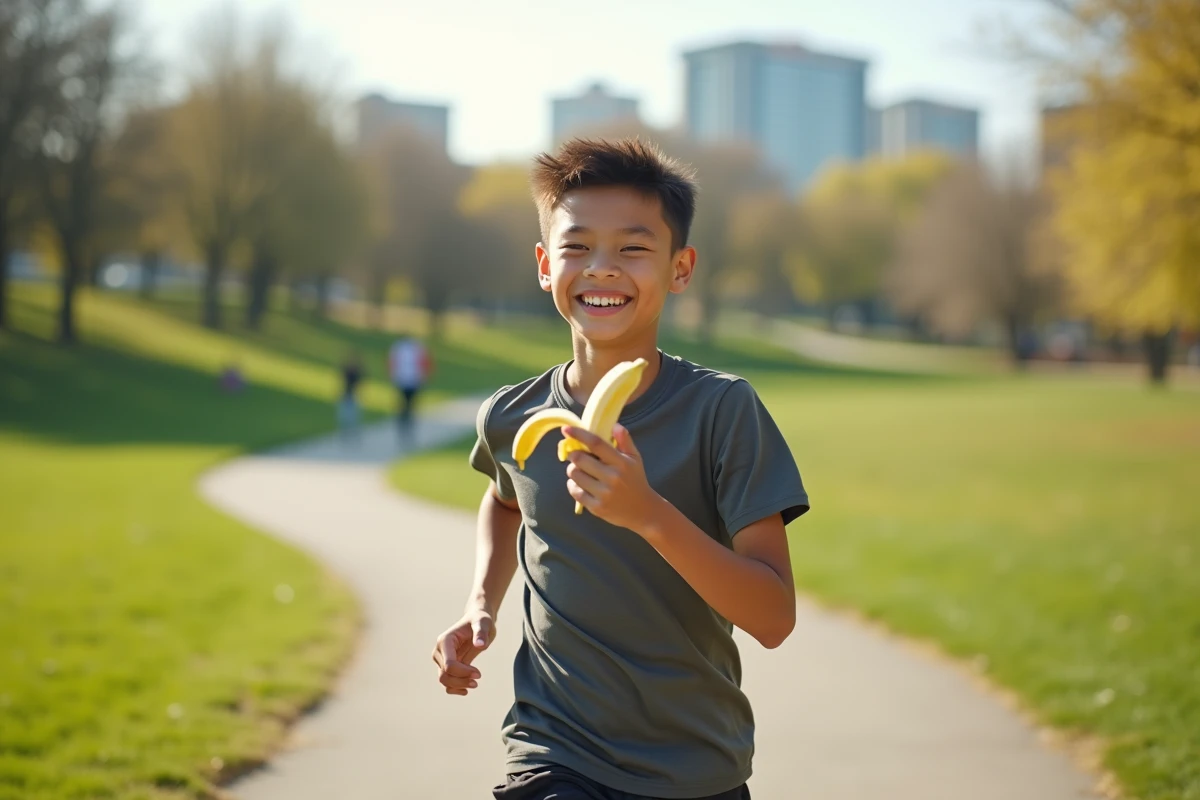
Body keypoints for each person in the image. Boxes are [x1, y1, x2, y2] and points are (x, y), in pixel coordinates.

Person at [432, 138, 810, 800]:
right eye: (577, 247)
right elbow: (507, 498)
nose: (602, 268)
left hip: (695, 769)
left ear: (680, 268)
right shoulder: (510, 415)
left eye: (633, 249)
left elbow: (774, 617)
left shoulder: (723, 412)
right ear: (547, 266)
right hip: (554, 751)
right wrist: (480, 604)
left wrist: (649, 517)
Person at [388, 334, 432, 440]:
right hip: (410, 380)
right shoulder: (415, 348)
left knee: (405, 405)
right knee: (408, 405)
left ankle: (405, 427)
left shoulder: (399, 348)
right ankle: (406, 427)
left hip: (405, 380)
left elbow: (393, 363)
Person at [337, 350, 365, 441]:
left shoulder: (357, 372)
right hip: (346, 395)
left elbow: (360, 384)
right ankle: (345, 434)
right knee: (345, 416)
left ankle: (354, 434)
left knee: (354, 416)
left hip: (354, 395)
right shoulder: (347, 370)